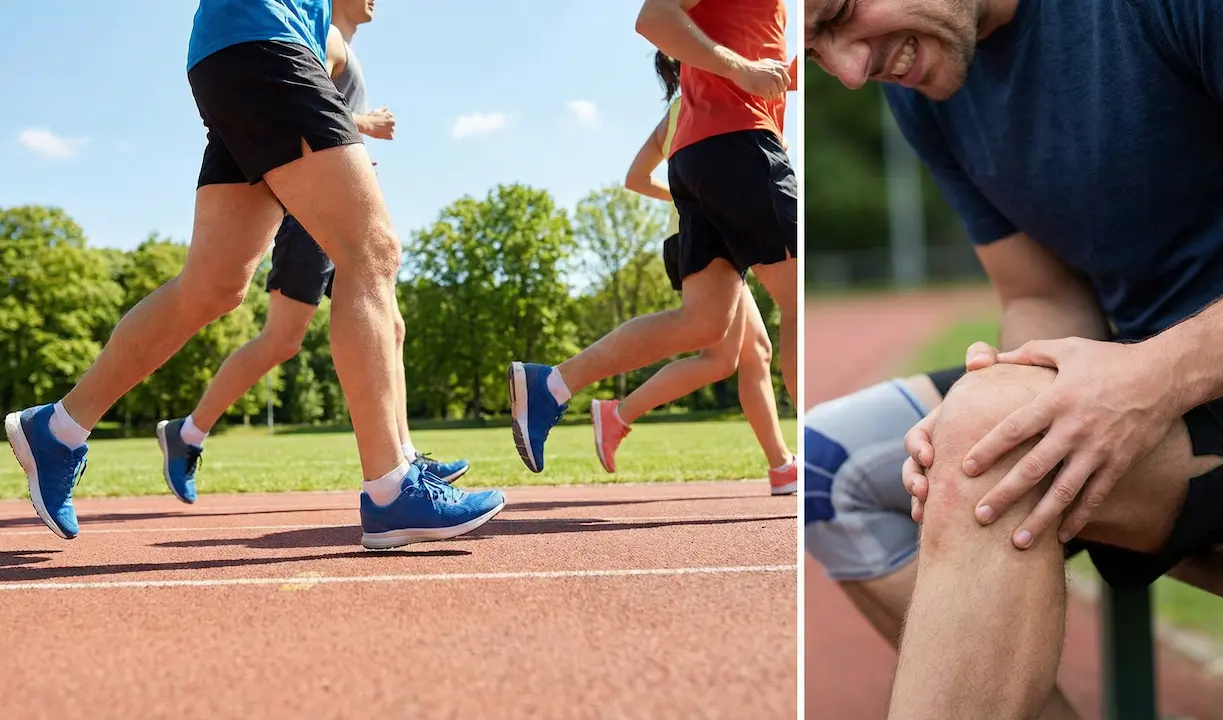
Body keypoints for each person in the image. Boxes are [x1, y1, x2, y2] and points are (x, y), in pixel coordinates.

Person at [804, 0, 1223, 716]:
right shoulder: (930, 79)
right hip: (1157, 369)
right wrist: (994, 382)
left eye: (839, 13)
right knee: (828, 464)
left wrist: (1155, 376)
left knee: (992, 443)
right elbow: (1042, 294)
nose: (847, 71)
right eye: (813, 51)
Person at [5, 0, 503, 550]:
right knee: (371, 249)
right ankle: (391, 490)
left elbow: (332, 43)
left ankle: (58, 430)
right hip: (264, 47)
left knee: (213, 286)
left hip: (237, 56)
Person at [156, 2, 469, 508]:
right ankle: (189, 432)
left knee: (385, 322)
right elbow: (293, 99)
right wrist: (363, 124)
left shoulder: (335, 39)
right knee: (282, 336)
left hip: (325, 191)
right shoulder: (320, 36)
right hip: (307, 204)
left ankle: (406, 460)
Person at [508, 0, 799, 475]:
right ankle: (820, 472)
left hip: (701, 156)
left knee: (704, 325)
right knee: (802, 298)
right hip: (737, 141)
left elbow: (761, 54)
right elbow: (653, 16)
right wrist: (744, 71)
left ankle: (554, 384)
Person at [591, 50, 796, 496]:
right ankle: (618, 414)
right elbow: (636, 178)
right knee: (723, 355)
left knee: (750, 353)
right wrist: (696, 202)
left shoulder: (678, 111)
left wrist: (688, 198)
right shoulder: (706, 102)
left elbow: (636, 177)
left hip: (694, 234)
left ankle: (782, 466)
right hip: (702, 235)